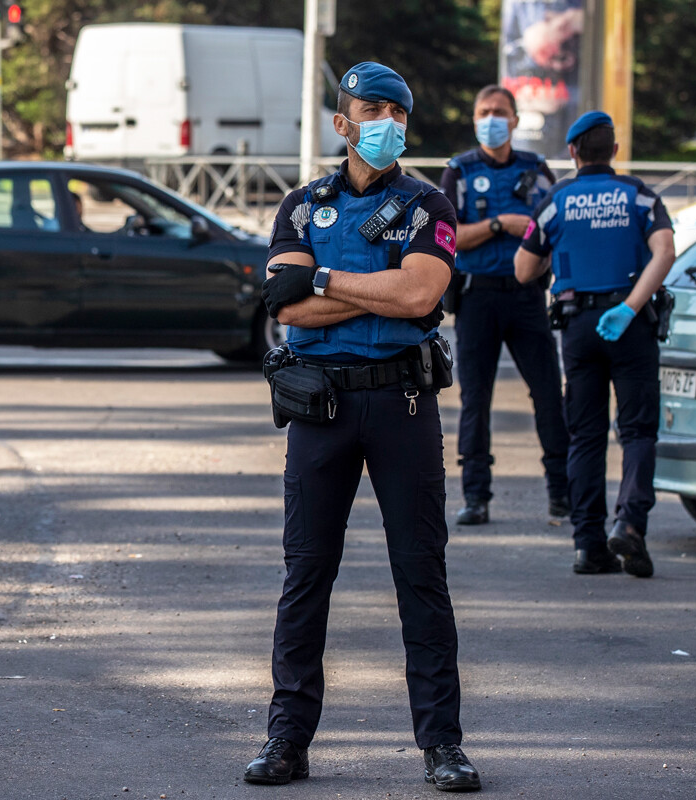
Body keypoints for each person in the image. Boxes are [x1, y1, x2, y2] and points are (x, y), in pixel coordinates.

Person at [245, 62, 480, 792]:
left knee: (421, 574)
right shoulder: (302, 204)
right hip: (320, 409)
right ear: (342, 122)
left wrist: (321, 280)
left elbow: (420, 293)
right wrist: (367, 292)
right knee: (305, 574)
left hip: (402, 408)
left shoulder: (426, 202)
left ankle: (441, 745)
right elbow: (286, 308)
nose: (387, 122)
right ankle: (287, 740)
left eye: (398, 111)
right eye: (371, 109)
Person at [514, 111, 675, 577]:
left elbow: (525, 270)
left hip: (579, 328)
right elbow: (664, 251)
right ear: (615, 152)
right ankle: (630, 525)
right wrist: (628, 306)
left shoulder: (554, 200)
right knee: (638, 431)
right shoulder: (639, 195)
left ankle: (588, 545)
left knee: (585, 435)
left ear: (573, 153)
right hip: (631, 324)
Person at [440, 85, 570, 525]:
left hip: (527, 296)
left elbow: (558, 226)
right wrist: (501, 225)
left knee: (549, 396)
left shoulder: (536, 169)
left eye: (499, 112)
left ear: (515, 120)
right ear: (474, 118)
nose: (491, 119)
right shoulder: (459, 171)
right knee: (476, 399)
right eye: (483, 112)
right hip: (477, 296)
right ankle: (476, 496)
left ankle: (562, 494)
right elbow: (449, 237)